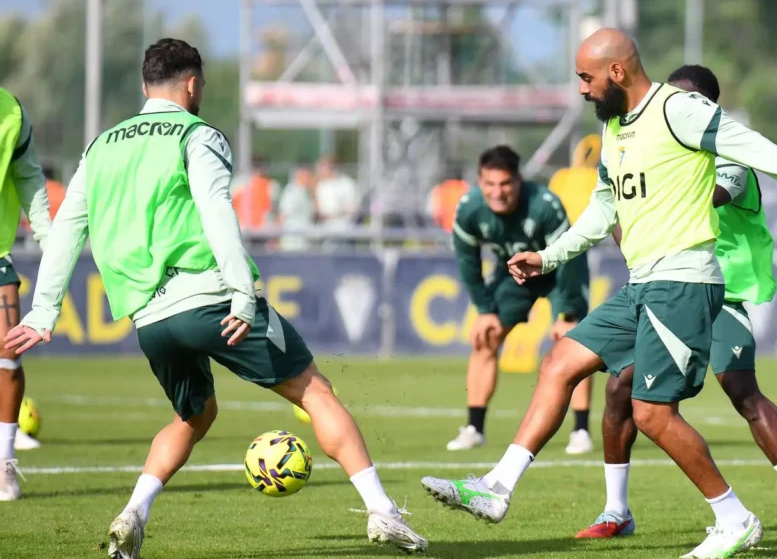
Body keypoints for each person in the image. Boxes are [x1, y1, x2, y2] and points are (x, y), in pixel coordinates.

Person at [421, 28, 777, 559]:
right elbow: (604, 208)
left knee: (653, 412)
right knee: (561, 362)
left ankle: (735, 518)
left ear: (616, 72)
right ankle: (497, 488)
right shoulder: (613, 129)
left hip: (684, 283)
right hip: (643, 284)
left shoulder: (678, 110)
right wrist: (548, 256)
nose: (582, 90)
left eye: (586, 78)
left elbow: (760, 150)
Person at [3, 38, 426, 557]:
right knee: (315, 391)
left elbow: (67, 229)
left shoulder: (101, 145)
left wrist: (44, 311)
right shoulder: (198, 135)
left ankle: (133, 512)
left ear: (143, 86)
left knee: (194, 417)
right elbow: (217, 213)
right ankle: (382, 512)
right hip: (212, 296)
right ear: (193, 83)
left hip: (151, 317)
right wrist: (242, 295)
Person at [575, 64, 777, 548]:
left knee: (742, 392)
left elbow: (688, 200)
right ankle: (616, 510)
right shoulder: (659, 143)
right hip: (665, 291)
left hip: (722, 292)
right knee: (618, 392)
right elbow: (632, 214)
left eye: (687, 100)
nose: (673, 109)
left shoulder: (729, 160)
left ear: (709, 107)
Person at [447, 145, 594, 455]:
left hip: (559, 271)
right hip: (515, 273)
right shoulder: (469, 209)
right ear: (479, 182)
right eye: (489, 184)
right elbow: (467, 262)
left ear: (518, 181)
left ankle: (580, 431)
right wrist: (484, 310)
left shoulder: (545, 205)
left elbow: (570, 259)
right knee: (485, 337)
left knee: (575, 345)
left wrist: (567, 313)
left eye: (505, 184)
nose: (497, 192)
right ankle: (474, 428)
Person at [0, 87, 52, 502]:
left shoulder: (11, 112)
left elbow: (29, 178)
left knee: (8, 355)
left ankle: (4, 463)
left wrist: (50, 243)